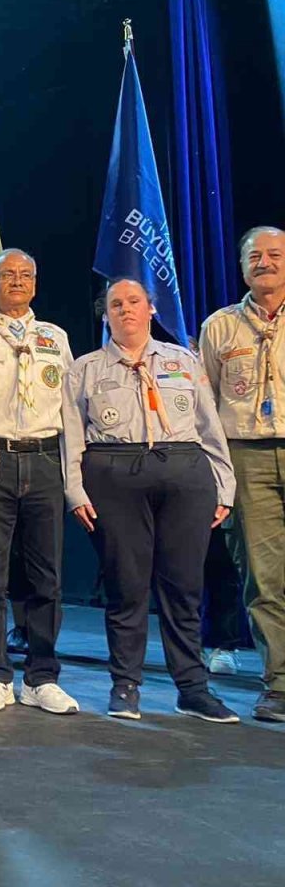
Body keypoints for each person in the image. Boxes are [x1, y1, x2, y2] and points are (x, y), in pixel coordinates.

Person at [64, 278, 237, 723]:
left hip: (184, 472)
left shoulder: (184, 360)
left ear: (151, 310)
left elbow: (209, 426)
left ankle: (193, 688)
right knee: (127, 584)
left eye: (134, 302)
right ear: (107, 315)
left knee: (183, 586)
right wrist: (74, 489)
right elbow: (72, 436)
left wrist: (225, 484)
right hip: (114, 474)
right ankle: (126, 685)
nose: (125, 310)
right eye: (116, 304)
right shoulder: (85, 368)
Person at [0, 249, 78, 714]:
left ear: (36, 283)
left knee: (47, 576)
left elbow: (70, 409)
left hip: (44, 459)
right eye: (8, 275)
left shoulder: (56, 337)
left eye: (27, 274)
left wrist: (74, 475)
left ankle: (41, 675)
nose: (18, 282)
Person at [199, 226, 285, 721]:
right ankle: (279, 682)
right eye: (255, 256)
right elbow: (206, 405)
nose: (265, 263)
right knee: (264, 577)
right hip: (246, 456)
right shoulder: (220, 327)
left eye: (275, 255)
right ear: (242, 266)